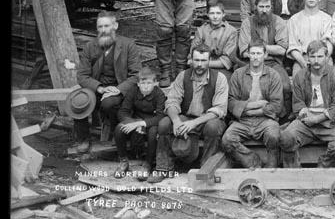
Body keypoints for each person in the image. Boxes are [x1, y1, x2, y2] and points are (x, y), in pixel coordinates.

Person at [148, 43, 229, 183]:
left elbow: (219, 109)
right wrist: (176, 121)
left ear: (209, 61)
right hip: (186, 117)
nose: (199, 65)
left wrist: (194, 123)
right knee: (164, 124)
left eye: (203, 61)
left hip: (207, 120)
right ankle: (163, 168)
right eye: (196, 60)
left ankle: (205, 170)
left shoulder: (219, 78)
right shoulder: (183, 76)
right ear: (191, 60)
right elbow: (172, 101)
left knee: (213, 126)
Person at [74, 11, 141, 153]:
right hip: (98, 90)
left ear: (115, 26)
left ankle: (117, 136)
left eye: (106, 26)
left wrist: (118, 89)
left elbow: (136, 75)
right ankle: (84, 139)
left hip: (120, 90)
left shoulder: (128, 45)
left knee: (109, 103)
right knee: (78, 99)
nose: (103, 30)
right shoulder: (90, 47)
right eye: (100, 27)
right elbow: (82, 75)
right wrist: (99, 88)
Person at [280, 41, 335, 168]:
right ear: (308, 57)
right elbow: (298, 103)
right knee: (286, 138)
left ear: (327, 57)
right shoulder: (300, 75)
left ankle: (323, 167)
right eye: (313, 56)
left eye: (320, 56)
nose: (316, 61)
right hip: (306, 121)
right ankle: (294, 172)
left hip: (329, 122)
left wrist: (317, 119)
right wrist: (307, 116)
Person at [222, 41, 283, 168]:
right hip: (242, 120)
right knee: (227, 139)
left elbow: (277, 105)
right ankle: (253, 160)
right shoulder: (238, 74)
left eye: (259, 53)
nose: (255, 57)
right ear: (248, 54)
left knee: (273, 135)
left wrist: (246, 108)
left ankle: (272, 165)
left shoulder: (273, 75)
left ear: (265, 55)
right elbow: (231, 102)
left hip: (265, 120)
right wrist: (258, 105)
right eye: (253, 53)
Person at [237, 0, 291, 119]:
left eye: (267, 7)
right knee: (241, 85)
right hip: (250, 62)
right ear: (255, 7)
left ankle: (281, 117)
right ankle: (244, 115)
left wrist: (260, 48)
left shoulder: (278, 21)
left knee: (285, 86)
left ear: (271, 7)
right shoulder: (247, 23)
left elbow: (282, 49)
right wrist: (261, 52)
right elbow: (244, 51)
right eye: (261, 7)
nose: (264, 10)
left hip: (272, 63)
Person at [113, 66, 166, 180]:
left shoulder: (159, 94)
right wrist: (133, 122)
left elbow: (160, 116)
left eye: (149, 83)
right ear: (138, 84)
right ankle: (123, 161)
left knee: (153, 133)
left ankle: (148, 164)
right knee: (119, 128)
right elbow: (123, 111)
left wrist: (142, 124)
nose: (146, 86)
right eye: (143, 83)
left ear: (155, 83)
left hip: (151, 122)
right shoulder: (133, 91)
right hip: (135, 120)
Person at [287, 0, 334, 77]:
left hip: (323, 57)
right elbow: (293, 47)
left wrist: (323, 60)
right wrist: (304, 64)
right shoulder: (294, 20)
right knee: (298, 79)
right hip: (303, 58)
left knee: (328, 80)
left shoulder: (326, 18)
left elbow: (329, 43)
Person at [191, 0, 238, 81]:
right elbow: (194, 54)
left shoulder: (231, 32)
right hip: (200, 68)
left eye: (218, 13)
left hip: (222, 70)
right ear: (207, 14)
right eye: (212, 13)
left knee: (219, 81)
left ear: (223, 14)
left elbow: (226, 61)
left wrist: (203, 63)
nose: (215, 17)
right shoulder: (201, 30)